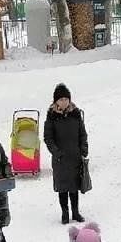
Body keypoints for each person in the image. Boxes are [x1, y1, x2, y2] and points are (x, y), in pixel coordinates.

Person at [44, 84, 90, 224]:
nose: (64, 102)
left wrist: (84, 148)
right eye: (61, 99)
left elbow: (82, 134)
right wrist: (56, 152)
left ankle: (75, 212)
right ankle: (65, 213)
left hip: (75, 156)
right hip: (60, 159)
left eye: (66, 99)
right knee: (62, 187)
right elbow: (48, 138)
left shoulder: (76, 115)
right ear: (56, 101)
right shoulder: (51, 117)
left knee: (74, 187)